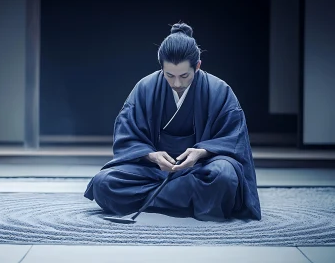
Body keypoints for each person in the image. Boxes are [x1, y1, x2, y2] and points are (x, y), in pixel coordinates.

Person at [84, 22, 261, 221]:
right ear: (161, 67)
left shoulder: (219, 90)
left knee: (224, 176)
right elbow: (127, 136)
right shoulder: (145, 88)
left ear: (198, 66)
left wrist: (201, 152)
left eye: (184, 75)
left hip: (201, 169)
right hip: (154, 171)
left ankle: (153, 200)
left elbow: (234, 140)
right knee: (104, 183)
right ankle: (192, 202)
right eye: (170, 75)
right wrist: (152, 156)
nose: (177, 83)